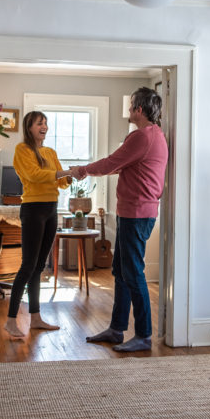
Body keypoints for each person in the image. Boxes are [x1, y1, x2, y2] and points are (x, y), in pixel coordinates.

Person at [74, 86, 167, 352]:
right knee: (121, 272)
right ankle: (116, 329)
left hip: (136, 214)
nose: (128, 111)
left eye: (130, 107)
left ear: (139, 109)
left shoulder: (142, 137)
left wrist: (81, 171)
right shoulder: (153, 135)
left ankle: (144, 335)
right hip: (133, 212)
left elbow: (111, 163)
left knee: (134, 274)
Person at [5, 110, 76, 339]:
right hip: (33, 210)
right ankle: (10, 321)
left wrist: (72, 175)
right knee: (28, 266)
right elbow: (35, 175)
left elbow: (62, 184)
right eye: (39, 123)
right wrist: (61, 173)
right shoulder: (22, 150)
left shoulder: (50, 152)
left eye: (45, 123)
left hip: (51, 209)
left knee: (39, 267)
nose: (44, 126)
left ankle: (36, 318)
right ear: (29, 127)